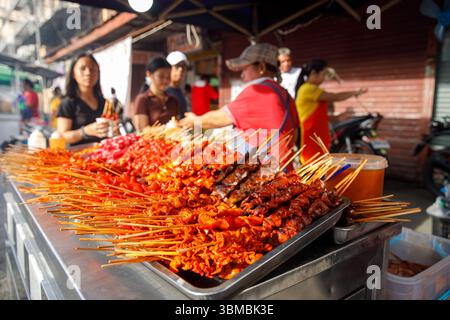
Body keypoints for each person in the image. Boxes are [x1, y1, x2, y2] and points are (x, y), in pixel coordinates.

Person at [180, 43, 299, 160]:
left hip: (265, 169)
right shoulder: (285, 94)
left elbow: (219, 118)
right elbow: (295, 133)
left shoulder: (257, 90)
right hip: (284, 167)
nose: (242, 75)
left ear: (261, 68)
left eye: (244, 69)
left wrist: (195, 120)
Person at [294, 59, 368, 162]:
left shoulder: (311, 89)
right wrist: (355, 92)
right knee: (310, 167)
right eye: (323, 74)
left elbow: (316, 116)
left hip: (315, 136)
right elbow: (335, 97)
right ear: (314, 73)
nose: (324, 78)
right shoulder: (308, 89)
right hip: (309, 136)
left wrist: (337, 117)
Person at [57, 53, 109, 146]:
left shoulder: (104, 102)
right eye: (83, 68)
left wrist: (113, 130)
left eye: (92, 69)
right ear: (73, 74)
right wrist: (84, 132)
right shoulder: (68, 103)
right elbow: (62, 136)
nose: (88, 72)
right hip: (78, 157)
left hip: (105, 155)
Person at [133, 57, 179, 132]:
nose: (165, 80)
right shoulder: (142, 99)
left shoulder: (173, 101)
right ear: (149, 74)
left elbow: (176, 123)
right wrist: (166, 128)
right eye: (161, 76)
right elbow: (142, 130)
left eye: (168, 77)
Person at [166, 51, 188, 119]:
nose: (181, 69)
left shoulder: (180, 91)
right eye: (177, 66)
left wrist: (198, 128)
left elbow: (186, 117)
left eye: (183, 66)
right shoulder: (162, 92)